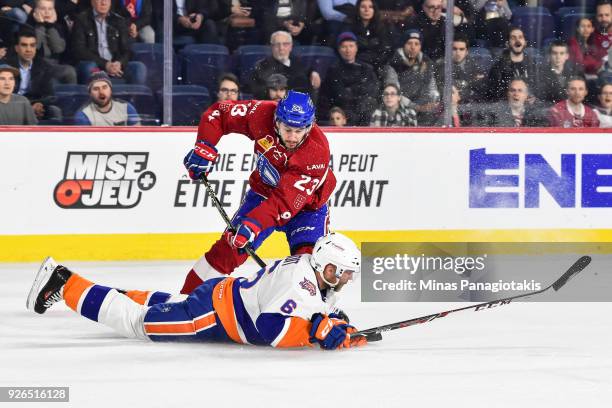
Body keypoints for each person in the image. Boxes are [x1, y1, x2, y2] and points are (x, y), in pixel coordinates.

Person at [27, 232, 367, 350]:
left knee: (168, 304)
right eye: (347, 272)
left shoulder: (314, 274)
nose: (349, 278)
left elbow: (318, 310)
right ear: (330, 268)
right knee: (141, 323)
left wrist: (337, 325)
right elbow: (270, 329)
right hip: (211, 317)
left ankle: (89, 289)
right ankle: (63, 283)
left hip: (220, 295)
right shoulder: (302, 282)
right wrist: (315, 332)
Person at [180, 90, 336, 295]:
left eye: (299, 131)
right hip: (262, 193)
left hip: (307, 209)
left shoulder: (316, 151)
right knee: (227, 250)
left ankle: (318, 315)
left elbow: (283, 203)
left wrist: (253, 225)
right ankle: (183, 301)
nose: (292, 137)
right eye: (287, 129)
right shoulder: (261, 114)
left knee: (311, 266)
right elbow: (219, 113)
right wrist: (204, 146)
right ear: (276, 121)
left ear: (309, 126)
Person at [72, 0, 147, 84]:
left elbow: (127, 50)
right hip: (95, 64)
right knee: (89, 67)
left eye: (107, 0)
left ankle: (134, 97)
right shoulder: (81, 20)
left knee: (138, 67)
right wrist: (105, 64)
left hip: (115, 65)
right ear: (92, 2)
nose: (103, 3)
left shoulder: (118, 20)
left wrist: (120, 63)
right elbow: (79, 50)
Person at [318, 31, 379, 125]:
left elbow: (372, 92)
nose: (348, 50)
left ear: (356, 48)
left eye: (351, 46)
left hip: (365, 116)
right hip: (342, 119)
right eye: (344, 47)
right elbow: (332, 97)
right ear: (339, 49)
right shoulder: (332, 71)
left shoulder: (367, 69)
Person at [383, 29, 439, 125]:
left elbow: (432, 88)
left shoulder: (427, 63)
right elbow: (393, 94)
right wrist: (416, 107)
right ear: (403, 45)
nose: (413, 47)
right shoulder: (393, 64)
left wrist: (434, 101)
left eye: (416, 44)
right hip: (402, 106)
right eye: (409, 43)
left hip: (422, 106)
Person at [5, 29, 63, 122]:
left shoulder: (45, 67)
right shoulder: (6, 66)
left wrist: (38, 103)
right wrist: (26, 107)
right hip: (11, 104)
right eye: (24, 45)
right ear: (16, 48)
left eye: (32, 45)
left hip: (34, 104)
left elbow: (50, 95)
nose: (28, 49)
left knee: (55, 111)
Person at [249, 30, 320, 100]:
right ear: (271, 47)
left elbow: (306, 83)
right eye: (277, 44)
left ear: (291, 46)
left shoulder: (299, 63)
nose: (281, 48)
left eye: (285, 44)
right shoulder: (261, 66)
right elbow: (258, 93)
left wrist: (313, 73)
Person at [27, 0, 77, 84]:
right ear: (35, 10)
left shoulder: (59, 26)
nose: (47, 12)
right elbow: (35, 48)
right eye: (43, 8)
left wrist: (51, 26)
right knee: (52, 81)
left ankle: (73, 96)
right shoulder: (28, 26)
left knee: (70, 72)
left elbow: (58, 49)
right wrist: (41, 25)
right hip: (36, 66)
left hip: (55, 64)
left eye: (50, 9)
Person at [486, 27, 536, 101]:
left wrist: (534, 98)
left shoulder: (533, 65)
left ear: (525, 43)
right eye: (513, 38)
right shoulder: (498, 67)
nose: (517, 40)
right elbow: (493, 95)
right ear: (507, 44)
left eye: (520, 37)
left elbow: (539, 89)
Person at [434, 33, 487, 104]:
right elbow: (441, 88)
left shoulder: (473, 64)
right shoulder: (441, 65)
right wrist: (469, 82)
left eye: (461, 49)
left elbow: (482, 87)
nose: (458, 52)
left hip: (470, 105)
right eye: (454, 49)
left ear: (466, 51)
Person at [74, 70, 141, 125]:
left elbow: (138, 136)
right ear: (90, 93)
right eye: (96, 89)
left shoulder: (126, 108)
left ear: (110, 89)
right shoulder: (83, 115)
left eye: (105, 87)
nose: (101, 92)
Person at [347, 0, 393, 75]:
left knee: (389, 71)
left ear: (374, 10)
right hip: (355, 65)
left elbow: (385, 49)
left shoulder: (382, 27)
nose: (366, 10)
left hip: (377, 65)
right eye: (363, 7)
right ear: (358, 9)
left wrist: (376, 59)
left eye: (370, 7)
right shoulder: (349, 25)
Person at [476, 78, 547, 127]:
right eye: (513, 90)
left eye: (520, 90)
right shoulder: (496, 112)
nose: (516, 94)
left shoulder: (534, 114)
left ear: (526, 95)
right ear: (507, 94)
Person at [536, 40, 584, 104]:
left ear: (567, 56)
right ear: (549, 55)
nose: (558, 57)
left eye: (561, 53)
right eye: (555, 53)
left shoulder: (574, 73)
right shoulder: (541, 74)